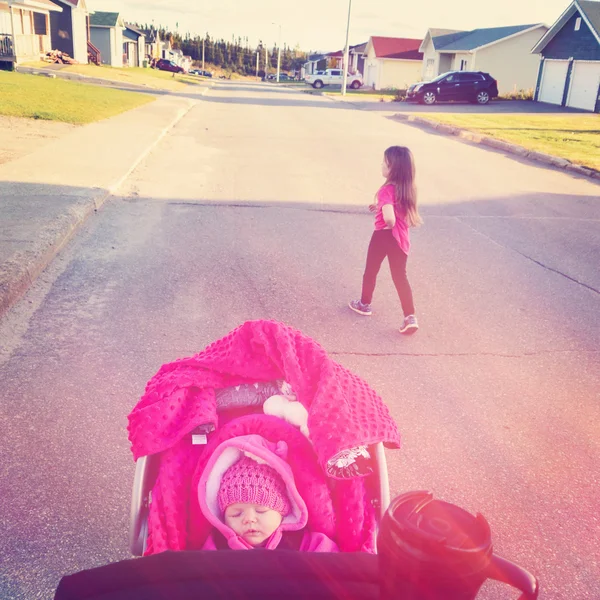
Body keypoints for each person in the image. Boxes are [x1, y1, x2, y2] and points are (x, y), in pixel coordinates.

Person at [198, 442, 339, 552]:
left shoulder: (301, 543)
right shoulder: (218, 546)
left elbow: (333, 566)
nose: (249, 519)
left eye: (261, 511)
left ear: (282, 512)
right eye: (236, 514)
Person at [349, 145, 422, 334]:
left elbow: (390, 217)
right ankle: (409, 316)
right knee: (400, 277)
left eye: (384, 162)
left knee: (371, 271)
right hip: (401, 239)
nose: (381, 165)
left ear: (392, 168)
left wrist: (387, 219)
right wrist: (380, 207)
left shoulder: (386, 190)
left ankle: (364, 304)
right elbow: (396, 209)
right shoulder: (408, 190)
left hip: (383, 235)